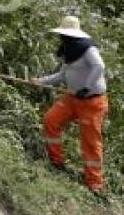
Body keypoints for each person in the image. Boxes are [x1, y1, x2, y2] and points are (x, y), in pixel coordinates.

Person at [32, 16, 108, 193]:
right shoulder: (69, 50)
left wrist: (86, 87)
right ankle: (56, 162)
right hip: (72, 98)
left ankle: (95, 183)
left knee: (90, 141)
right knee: (51, 120)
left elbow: (99, 66)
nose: (61, 38)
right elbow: (62, 76)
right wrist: (40, 81)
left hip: (92, 101)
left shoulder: (88, 49)